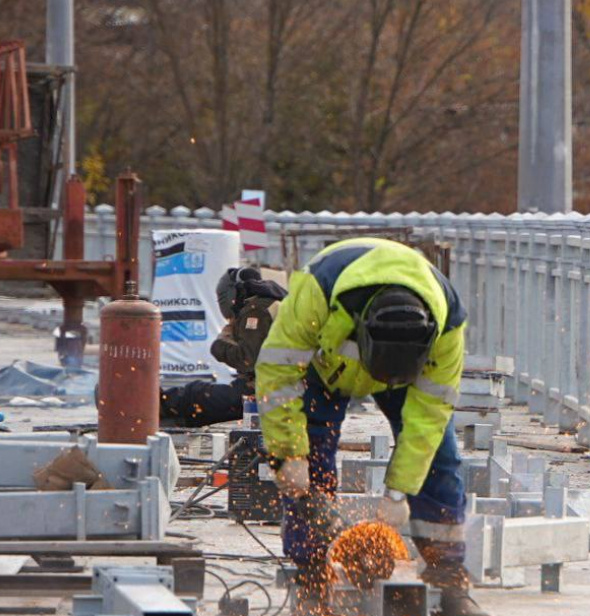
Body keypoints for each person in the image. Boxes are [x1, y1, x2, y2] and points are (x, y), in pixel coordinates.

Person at [254, 238, 485, 616]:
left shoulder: (448, 326)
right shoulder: (317, 292)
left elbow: (428, 420)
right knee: (311, 461)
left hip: (407, 378)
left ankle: (449, 579)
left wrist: (399, 492)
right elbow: (277, 377)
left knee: (440, 461)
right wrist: (290, 455)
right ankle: (311, 575)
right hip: (325, 369)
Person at [159, 267, 287, 427]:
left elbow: (247, 360)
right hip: (274, 389)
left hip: (265, 393)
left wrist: (220, 345)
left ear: (231, 294)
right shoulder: (271, 303)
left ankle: (145, 409)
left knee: (194, 396)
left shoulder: (255, 309)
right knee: (196, 396)